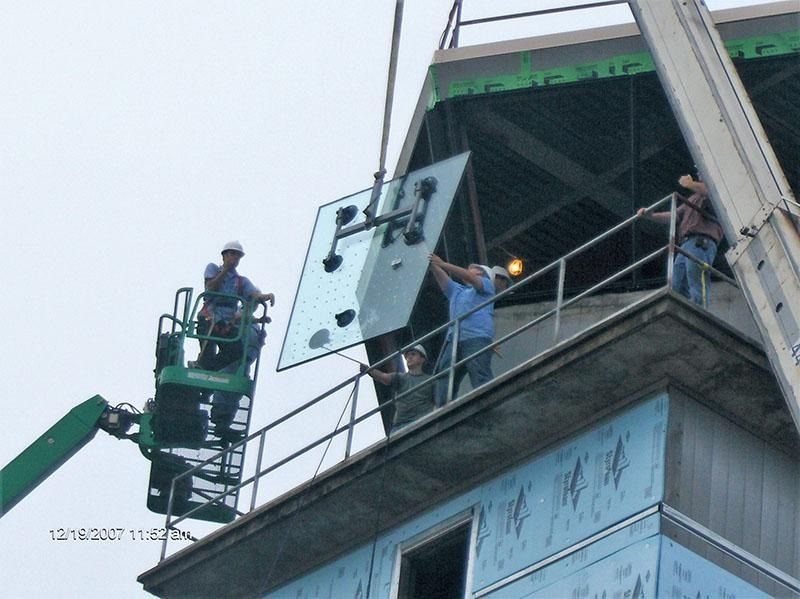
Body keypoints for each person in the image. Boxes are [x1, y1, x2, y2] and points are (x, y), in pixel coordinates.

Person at [428, 254, 511, 406]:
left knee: (478, 371)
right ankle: (443, 409)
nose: (468, 272)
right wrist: (431, 263)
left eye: (474, 270)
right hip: (454, 339)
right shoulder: (458, 290)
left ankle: (489, 403)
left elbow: (467, 277)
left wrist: (443, 264)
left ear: (482, 274)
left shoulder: (486, 286)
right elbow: (441, 276)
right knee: (445, 375)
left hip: (476, 337)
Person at [637, 174, 723, 307]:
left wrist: (690, 184)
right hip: (686, 244)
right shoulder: (694, 198)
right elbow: (674, 215)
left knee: (697, 279)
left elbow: (710, 192)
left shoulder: (719, 192)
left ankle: (700, 313)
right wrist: (651, 216)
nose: (700, 174)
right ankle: (680, 311)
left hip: (701, 242)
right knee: (677, 283)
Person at [196, 240, 274, 371]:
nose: (235, 258)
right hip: (209, 318)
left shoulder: (241, 281)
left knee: (236, 352)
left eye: (238, 256)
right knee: (207, 352)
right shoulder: (213, 269)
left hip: (226, 323)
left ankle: (206, 369)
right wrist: (225, 270)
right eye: (232, 254)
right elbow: (211, 288)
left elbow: (253, 294)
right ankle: (204, 365)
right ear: (224, 255)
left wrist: (265, 296)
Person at [360, 344, 434, 433]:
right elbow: (384, 377)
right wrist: (369, 370)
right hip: (401, 425)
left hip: (425, 420)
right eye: (407, 356)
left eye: (413, 354)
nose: (409, 357)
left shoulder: (431, 380)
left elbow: (439, 398)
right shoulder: (401, 378)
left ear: (422, 359)